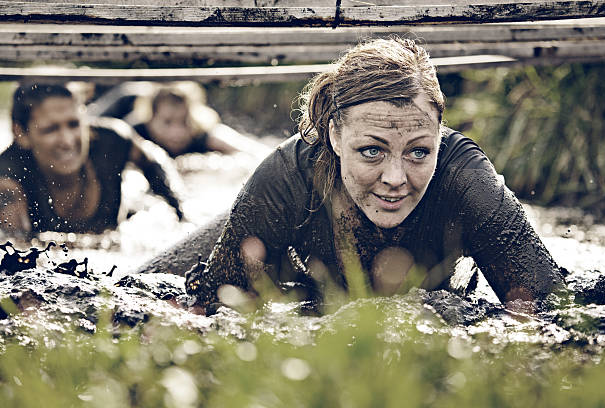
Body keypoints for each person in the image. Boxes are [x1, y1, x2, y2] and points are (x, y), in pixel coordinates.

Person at [145, 38, 565, 314]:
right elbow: (207, 316)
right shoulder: (285, 177)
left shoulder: (466, 180)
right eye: (371, 151)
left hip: (437, 295)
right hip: (293, 252)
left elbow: (558, 314)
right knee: (149, 287)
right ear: (334, 135)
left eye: (420, 151)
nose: (396, 178)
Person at [0, 83, 184, 236]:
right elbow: (18, 249)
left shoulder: (112, 140)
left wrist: (182, 213)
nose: (67, 140)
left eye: (74, 124)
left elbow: (155, 160)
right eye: (51, 129)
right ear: (21, 134)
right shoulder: (9, 177)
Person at [131, 83, 268, 159]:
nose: (177, 132)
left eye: (184, 121)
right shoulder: (137, 134)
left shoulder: (204, 134)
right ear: (151, 118)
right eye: (167, 122)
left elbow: (259, 155)